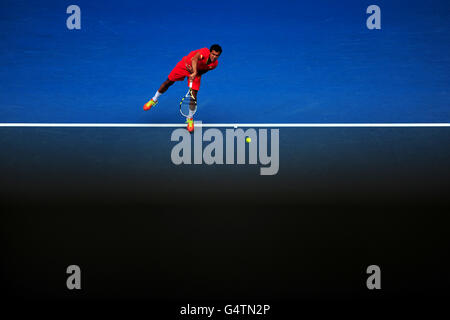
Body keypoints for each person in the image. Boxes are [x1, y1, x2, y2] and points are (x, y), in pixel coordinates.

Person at [143, 44, 222, 132]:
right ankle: (154, 99)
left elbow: (205, 70)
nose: (214, 57)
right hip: (184, 66)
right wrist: (195, 71)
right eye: (213, 54)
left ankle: (190, 119)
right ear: (210, 52)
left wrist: (197, 74)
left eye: (217, 55)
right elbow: (194, 59)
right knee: (168, 82)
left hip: (196, 73)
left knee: (193, 97)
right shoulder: (203, 52)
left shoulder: (214, 65)